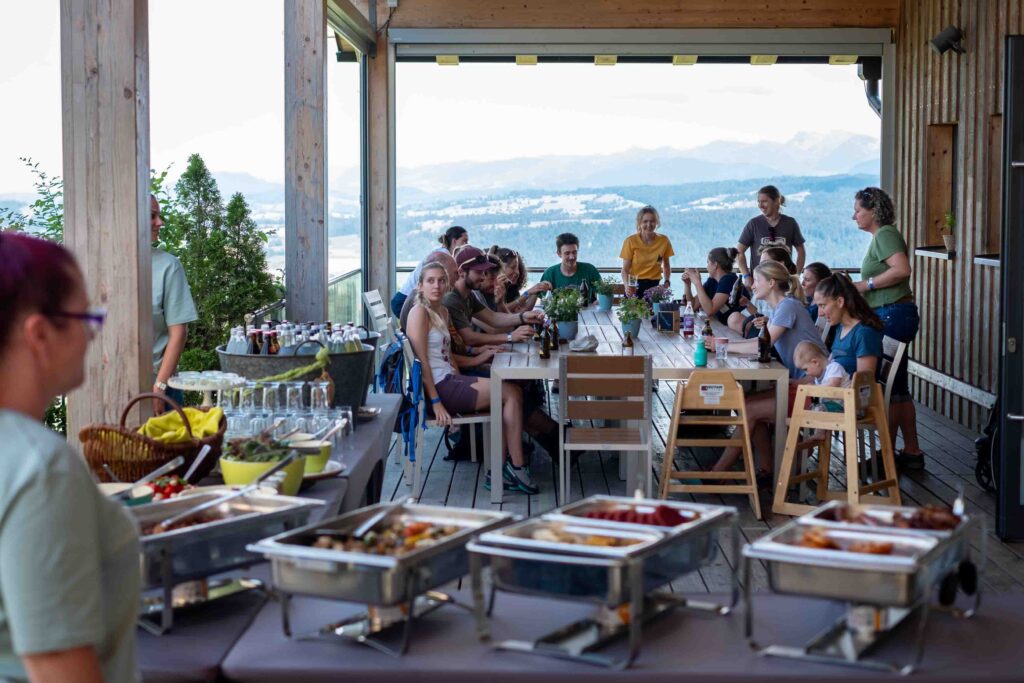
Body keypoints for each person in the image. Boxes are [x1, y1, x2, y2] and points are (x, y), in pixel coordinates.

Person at [0, 233, 140, 682]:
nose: (90, 335)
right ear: (40, 333)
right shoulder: (40, 468)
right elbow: (58, 669)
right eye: (84, 318)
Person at [406, 262, 539, 495]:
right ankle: (515, 468)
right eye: (430, 281)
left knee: (507, 395)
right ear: (420, 285)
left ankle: (500, 470)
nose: (436, 285)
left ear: (447, 283)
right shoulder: (419, 313)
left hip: (449, 380)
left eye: (441, 280)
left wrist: (479, 358)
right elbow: (421, 363)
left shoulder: (442, 311)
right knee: (510, 393)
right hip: (437, 388)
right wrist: (436, 403)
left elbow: (447, 355)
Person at [705, 261, 825, 480]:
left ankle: (718, 474)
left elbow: (762, 344)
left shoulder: (788, 306)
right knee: (747, 402)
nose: (752, 286)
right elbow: (763, 342)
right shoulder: (784, 307)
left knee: (749, 408)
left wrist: (722, 346)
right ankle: (767, 471)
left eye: (757, 281)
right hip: (802, 385)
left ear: (771, 283)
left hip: (813, 391)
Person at [850, 187, 924, 471]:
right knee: (899, 386)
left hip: (894, 314)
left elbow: (902, 269)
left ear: (873, 211)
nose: (854, 215)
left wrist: (865, 285)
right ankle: (912, 452)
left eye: (858, 210)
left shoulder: (885, 235)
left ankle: (889, 454)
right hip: (896, 313)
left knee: (888, 386)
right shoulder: (880, 237)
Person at [442, 246, 543, 348]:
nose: (482, 277)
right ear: (461, 272)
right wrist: (509, 337)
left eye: (484, 273)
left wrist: (523, 316)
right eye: (478, 272)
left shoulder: (469, 296)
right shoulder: (452, 299)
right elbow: (469, 338)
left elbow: (493, 317)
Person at [151, 195, 197, 415]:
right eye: (152, 216)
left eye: (158, 215)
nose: (160, 222)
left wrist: (160, 387)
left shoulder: (168, 266)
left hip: (161, 386)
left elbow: (178, 333)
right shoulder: (102, 266)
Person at [813, 273, 883, 377]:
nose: (820, 313)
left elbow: (863, 385)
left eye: (822, 305)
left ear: (840, 301)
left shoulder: (864, 334)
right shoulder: (840, 328)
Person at [736, 185, 806, 286]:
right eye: (758, 202)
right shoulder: (754, 224)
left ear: (776, 201)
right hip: (760, 282)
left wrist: (796, 275)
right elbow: (739, 252)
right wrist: (747, 276)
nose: (760, 205)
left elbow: (801, 251)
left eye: (764, 201)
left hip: (784, 282)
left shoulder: (790, 223)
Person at [391, 225, 468, 317]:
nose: (466, 245)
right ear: (454, 241)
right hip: (405, 300)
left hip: (405, 298)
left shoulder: (442, 253)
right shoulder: (443, 258)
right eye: (464, 241)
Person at [619, 205, 674, 300]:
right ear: (639, 223)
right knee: (633, 313)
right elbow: (625, 270)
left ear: (656, 222)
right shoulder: (630, 241)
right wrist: (627, 285)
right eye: (645, 221)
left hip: (654, 283)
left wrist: (667, 282)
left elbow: (666, 265)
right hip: (634, 282)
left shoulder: (664, 241)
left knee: (653, 313)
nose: (649, 224)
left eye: (652, 221)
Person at [682, 247, 745, 325]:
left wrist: (697, 283)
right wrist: (687, 285)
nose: (706, 266)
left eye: (708, 262)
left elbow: (710, 311)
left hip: (738, 327)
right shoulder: (712, 281)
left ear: (715, 265)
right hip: (724, 326)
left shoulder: (729, 279)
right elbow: (692, 307)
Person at [485, 245, 551, 314]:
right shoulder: (490, 289)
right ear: (501, 266)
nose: (517, 272)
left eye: (518, 268)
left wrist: (537, 290)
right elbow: (498, 312)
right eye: (513, 267)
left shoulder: (512, 288)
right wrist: (527, 293)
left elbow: (524, 309)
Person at [540, 233, 600, 302]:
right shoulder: (549, 273)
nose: (572, 257)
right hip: (558, 312)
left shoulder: (590, 270)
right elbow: (543, 302)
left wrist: (599, 302)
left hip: (586, 311)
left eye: (574, 252)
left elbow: (604, 293)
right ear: (559, 254)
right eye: (567, 253)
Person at [793, 341, 850, 413]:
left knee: (816, 411)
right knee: (809, 410)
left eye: (805, 369)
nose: (806, 373)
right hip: (830, 405)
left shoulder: (834, 367)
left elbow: (833, 385)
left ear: (815, 362)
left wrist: (814, 388)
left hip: (844, 406)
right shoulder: (818, 377)